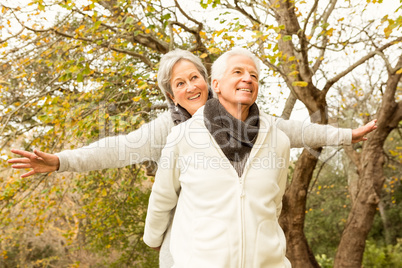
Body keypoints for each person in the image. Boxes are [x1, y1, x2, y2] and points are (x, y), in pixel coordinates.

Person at [8, 49, 377, 267]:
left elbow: (297, 131)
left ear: (209, 81)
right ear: (171, 94)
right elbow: (114, 149)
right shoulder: (168, 129)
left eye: (194, 77)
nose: (190, 87)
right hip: (188, 248)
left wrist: (347, 135)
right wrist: (60, 161)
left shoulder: (250, 118)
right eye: (179, 84)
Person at [143, 48, 292, 267]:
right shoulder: (183, 136)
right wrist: (154, 238)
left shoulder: (279, 141)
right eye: (238, 72)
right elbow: (163, 195)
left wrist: (345, 135)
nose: (247, 79)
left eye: (254, 75)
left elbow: (274, 205)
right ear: (216, 85)